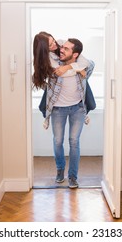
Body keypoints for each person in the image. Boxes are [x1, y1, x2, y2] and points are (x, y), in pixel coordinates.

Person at [33, 34, 95, 188]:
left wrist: (70, 66)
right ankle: (60, 170)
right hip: (58, 109)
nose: (58, 46)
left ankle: (73, 177)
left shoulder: (63, 47)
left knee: (74, 142)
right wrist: (76, 68)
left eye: (54, 40)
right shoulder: (49, 61)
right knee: (58, 141)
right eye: (51, 44)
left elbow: (90, 63)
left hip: (78, 108)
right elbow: (58, 72)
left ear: (75, 54)